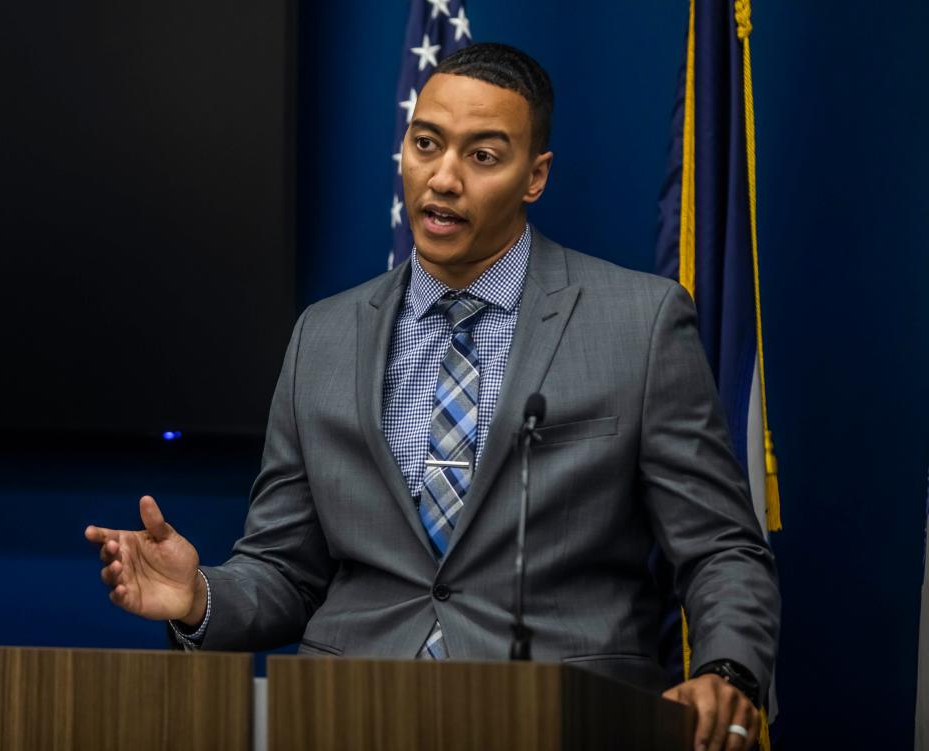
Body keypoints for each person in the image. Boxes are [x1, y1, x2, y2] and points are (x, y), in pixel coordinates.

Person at [86, 43, 779, 751]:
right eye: (426, 144)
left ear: (535, 176)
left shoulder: (641, 323)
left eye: (483, 156)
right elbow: (288, 570)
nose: (443, 178)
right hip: (348, 716)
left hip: (568, 717)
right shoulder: (321, 336)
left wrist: (728, 670)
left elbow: (722, 546)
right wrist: (199, 595)